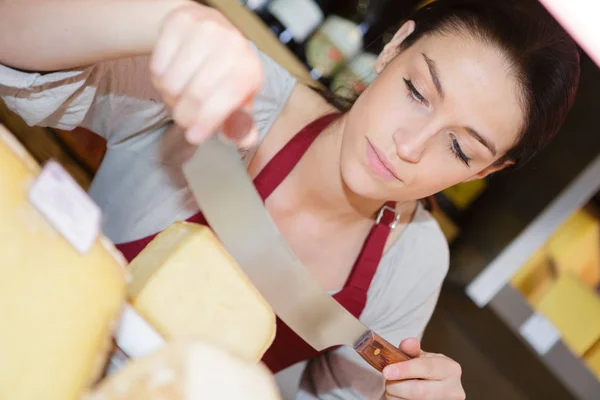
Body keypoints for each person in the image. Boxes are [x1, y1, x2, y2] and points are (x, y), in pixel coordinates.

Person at [0, 0, 579, 398]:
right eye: (416, 90)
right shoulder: (237, 95)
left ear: (492, 167)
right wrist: (164, 19)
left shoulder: (414, 265)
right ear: (394, 47)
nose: (408, 146)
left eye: (458, 148)